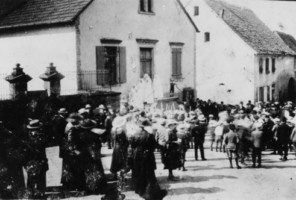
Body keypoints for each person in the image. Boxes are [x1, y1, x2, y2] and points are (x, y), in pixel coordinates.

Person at [131, 119, 167, 200]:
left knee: (139, 171)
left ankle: (139, 189)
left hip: (137, 155)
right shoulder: (149, 135)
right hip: (147, 155)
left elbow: (132, 146)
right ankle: (149, 190)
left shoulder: (134, 135)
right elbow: (153, 146)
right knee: (149, 172)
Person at [24, 120, 49, 199]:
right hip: (30, 160)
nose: (36, 130)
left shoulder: (42, 136)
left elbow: (44, 146)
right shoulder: (27, 137)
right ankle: (32, 193)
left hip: (41, 158)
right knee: (31, 177)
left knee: (41, 176)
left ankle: (41, 192)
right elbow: (25, 149)